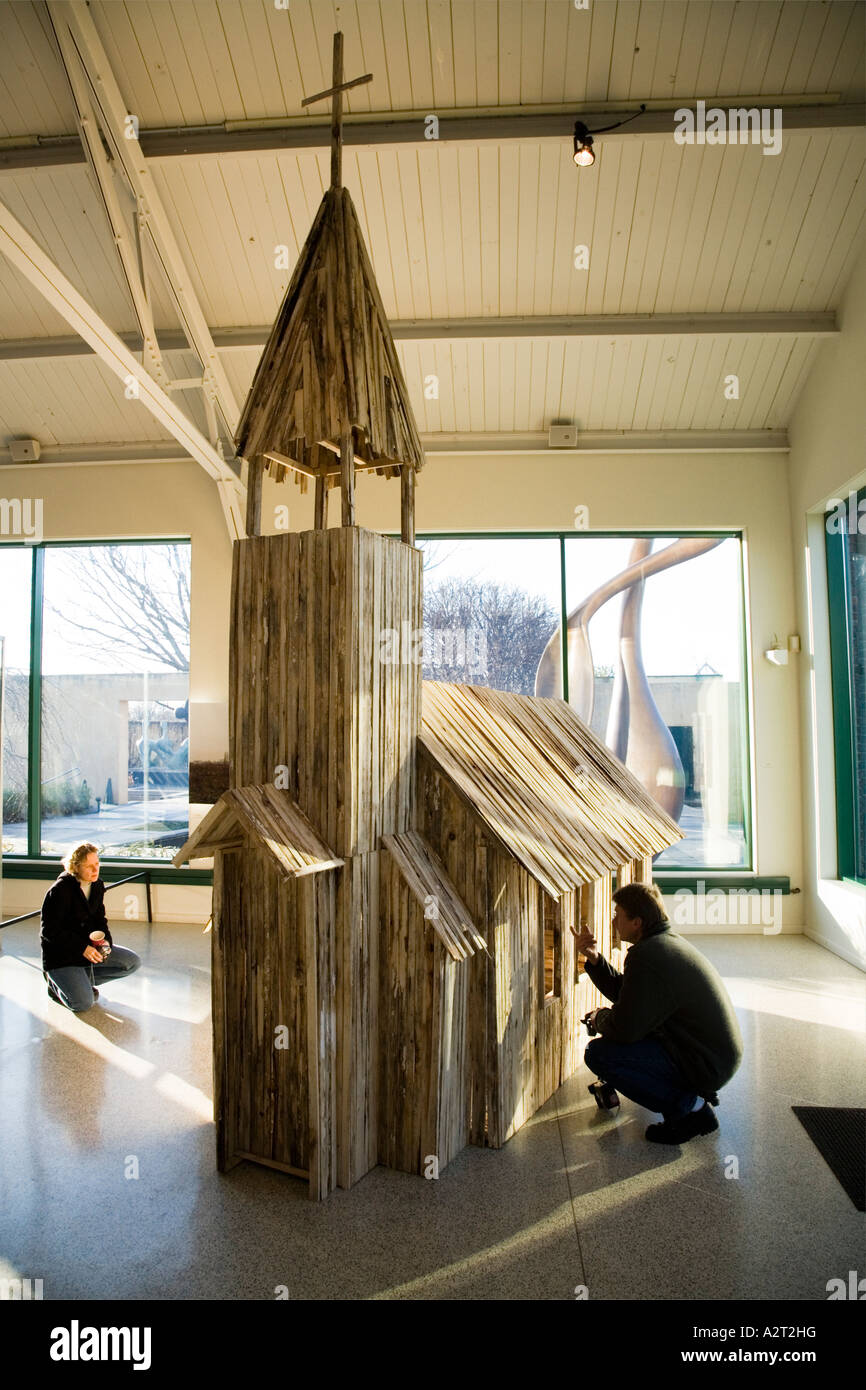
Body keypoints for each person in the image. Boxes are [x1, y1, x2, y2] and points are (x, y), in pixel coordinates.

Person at [574, 881, 743, 1145]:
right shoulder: (662, 943)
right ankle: (692, 1103)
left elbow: (626, 1030)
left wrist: (599, 1019)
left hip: (705, 1063)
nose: (613, 920)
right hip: (709, 1055)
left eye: (618, 914)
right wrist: (596, 959)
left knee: (599, 1054)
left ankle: (691, 1110)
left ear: (637, 922)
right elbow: (630, 995)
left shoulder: (648, 956)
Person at [41, 843, 141, 1012]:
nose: (95, 870)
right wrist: (82, 948)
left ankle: (79, 983)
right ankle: (55, 985)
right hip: (62, 956)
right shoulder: (60, 890)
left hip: (89, 950)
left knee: (132, 963)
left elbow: (100, 920)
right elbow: (50, 932)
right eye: (89, 866)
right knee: (83, 1004)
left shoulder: (97, 885)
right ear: (76, 867)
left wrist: (106, 944)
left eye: (97, 864)